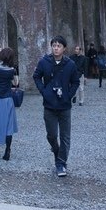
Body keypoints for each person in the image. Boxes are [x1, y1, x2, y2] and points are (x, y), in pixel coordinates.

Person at [32, 35, 80, 177]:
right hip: (49, 105)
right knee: (51, 135)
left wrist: (68, 95)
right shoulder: (44, 62)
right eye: (54, 45)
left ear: (64, 48)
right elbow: (36, 76)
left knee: (65, 136)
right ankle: (56, 151)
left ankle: (61, 163)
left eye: (59, 46)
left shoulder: (70, 64)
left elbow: (76, 81)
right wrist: (44, 91)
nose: (56, 48)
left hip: (64, 106)